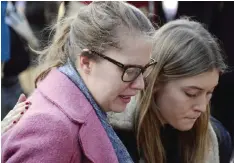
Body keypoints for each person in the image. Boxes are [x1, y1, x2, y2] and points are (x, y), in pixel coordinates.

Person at [2, 18, 232, 163]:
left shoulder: (217, 138)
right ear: (156, 80)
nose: (202, 107)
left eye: (210, 93)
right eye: (191, 93)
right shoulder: (101, 131)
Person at [1, 2, 156, 163]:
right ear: (87, 62)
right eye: (130, 71)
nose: (140, 84)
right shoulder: (52, 130)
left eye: (144, 70)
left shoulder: (70, 109)